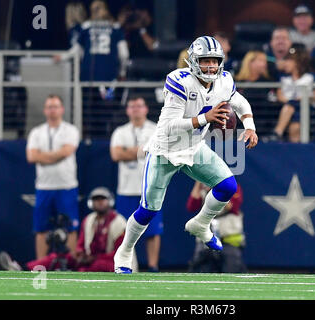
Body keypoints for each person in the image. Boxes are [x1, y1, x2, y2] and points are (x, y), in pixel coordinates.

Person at [113, 35, 258, 274]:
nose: (211, 66)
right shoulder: (179, 80)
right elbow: (169, 126)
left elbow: (240, 102)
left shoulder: (223, 81)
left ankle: (201, 223)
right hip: (165, 150)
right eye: (205, 61)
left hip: (193, 147)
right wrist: (205, 118)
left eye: (214, 61)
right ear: (192, 61)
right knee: (148, 210)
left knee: (227, 186)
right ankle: (125, 251)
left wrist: (250, 126)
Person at [0, 187, 138, 272]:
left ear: (110, 201)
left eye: (102, 199)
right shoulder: (89, 220)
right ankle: (23, 268)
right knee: (58, 258)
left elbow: (123, 251)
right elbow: (81, 244)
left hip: (113, 261)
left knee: (98, 265)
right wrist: (80, 254)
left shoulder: (119, 222)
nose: (100, 202)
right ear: (91, 202)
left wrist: (93, 258)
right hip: (90, 259)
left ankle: (84, 271)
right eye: (96, 199)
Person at [56, 0, 130, 138]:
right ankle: (106, 138)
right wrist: (122, 72)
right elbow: (124, 54)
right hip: (109, 79)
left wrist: (62, 57)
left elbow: (76, 51)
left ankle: (92, 139)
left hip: (89, 78)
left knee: (89, 111)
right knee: (106, 110)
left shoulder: (86, 27)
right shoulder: (115, 28)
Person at [26, 94, 80, 260]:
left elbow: (67, 152)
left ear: (62, 109)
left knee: (70, 228)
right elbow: (31, 157)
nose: (52, 110)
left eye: (55, 106)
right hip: (44, 187)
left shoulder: (70, 130)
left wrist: (43, 156)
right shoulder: (36, 132)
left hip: (66, 186)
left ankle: (71, 264)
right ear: (44, 110)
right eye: (49, 106)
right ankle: (40, 265)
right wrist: (55, 155)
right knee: (41, 229)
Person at [110, 96, 161, 272]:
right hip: (126, 190)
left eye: (139, 106)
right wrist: (142, 151)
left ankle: (153, 266)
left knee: (153, 231)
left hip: (150, 188)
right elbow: (116, 155)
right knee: (125, 232)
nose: (136, 109)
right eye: (132, 106)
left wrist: (129, 151)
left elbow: (158, 153)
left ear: (146, 109)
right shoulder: (120, 132)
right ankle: (127, 264)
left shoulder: (156, 129)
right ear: (127, 110)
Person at [186, 181, 246, 273]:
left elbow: (232, 206)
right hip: (205, 243)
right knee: (200, 274)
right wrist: (198, 183)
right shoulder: (202, 190)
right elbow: (191, 206)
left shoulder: (232, 187)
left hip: (228, 241)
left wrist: (215, 189)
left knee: (232, 272)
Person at [263, 47, 315, 142]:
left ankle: (277, 133)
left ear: (297, 62)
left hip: (304, 108)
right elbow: (280, 95)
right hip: (286, 107)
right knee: (292, 116)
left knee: (294, 120)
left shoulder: (310, 77)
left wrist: (297, 101)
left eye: (288, 60)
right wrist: (292, 101)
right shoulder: (283, 77)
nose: (285, 63)